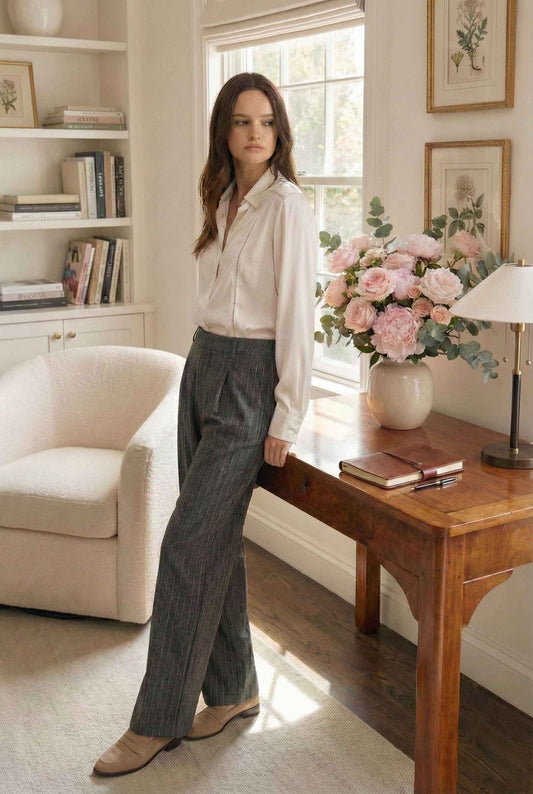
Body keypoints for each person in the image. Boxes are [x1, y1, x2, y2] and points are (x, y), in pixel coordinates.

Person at [93, 72, 317, 777]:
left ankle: (155, 720)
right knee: (214, 543)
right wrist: (200, 373)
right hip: (202, 367)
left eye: (267, 121)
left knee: (186, 548)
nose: (255, 132)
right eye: (242, 121)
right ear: (225, 131)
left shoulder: (288, 207)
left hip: (250, 384)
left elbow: (295, 320)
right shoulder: (222, 198)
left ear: (279, 132)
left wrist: (286, 413)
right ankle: (234, 690)